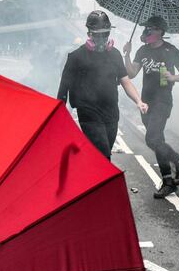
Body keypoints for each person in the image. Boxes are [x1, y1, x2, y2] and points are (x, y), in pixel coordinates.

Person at [58, 11, 148, 160]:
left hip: (111, 112)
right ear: (89, 34)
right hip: (88, 112)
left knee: (102, 154)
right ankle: (106, 182)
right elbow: (63, 88)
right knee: (103, 154)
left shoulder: (115, 55)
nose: (102, 38)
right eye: (97, 34)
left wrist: (139, 101)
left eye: (105, 34)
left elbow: (126, 82)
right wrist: (60, 116)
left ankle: (92, 179)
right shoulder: (76, 57)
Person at [123, 16, 179, 199]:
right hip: (146, 101)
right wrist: (127, 54)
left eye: (150, 29)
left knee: (151, 137)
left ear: (160, 31)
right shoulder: (142, 50)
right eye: (145, 28)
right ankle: (168, 181)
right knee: (157, 140)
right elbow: (131, 73)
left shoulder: (171, 50)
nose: (146, 32)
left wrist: (172, 77)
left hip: (163, 100)